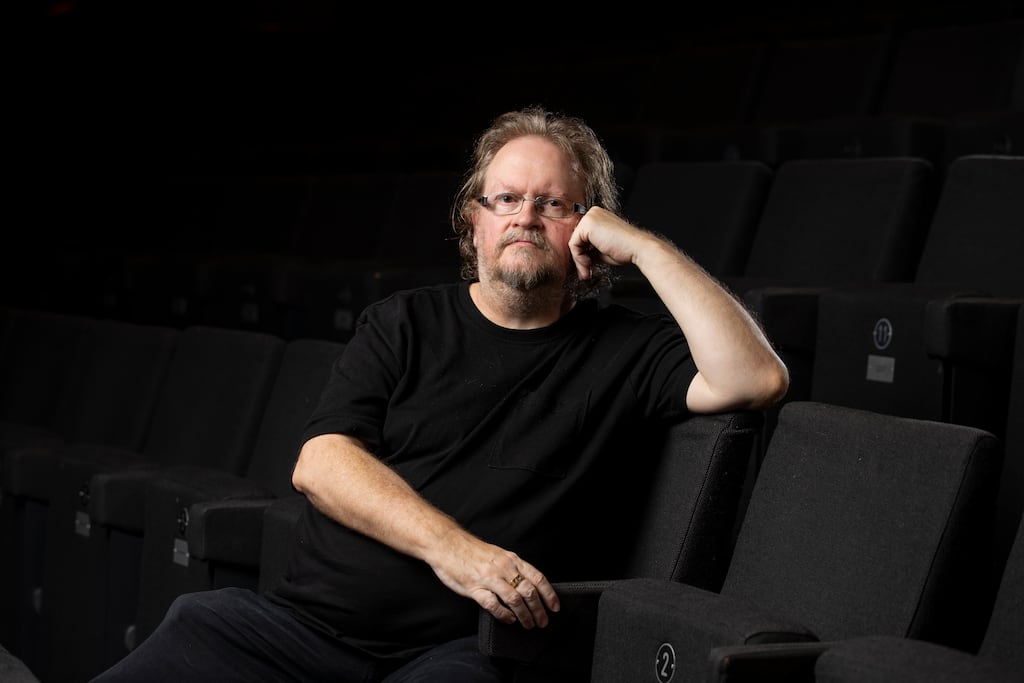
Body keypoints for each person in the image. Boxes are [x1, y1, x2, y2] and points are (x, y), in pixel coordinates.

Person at [91, 106, 788, 682]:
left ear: (586, 226)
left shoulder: (626, 348)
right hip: (305, 630)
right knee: (196, 625)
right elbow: (322, 461)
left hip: (467, 652)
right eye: (506, 199)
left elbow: (757, 377)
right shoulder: (402, 322)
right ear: (473, 222)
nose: (525, 217)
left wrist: (644, 248)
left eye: (553, 204)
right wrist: (455, 550)